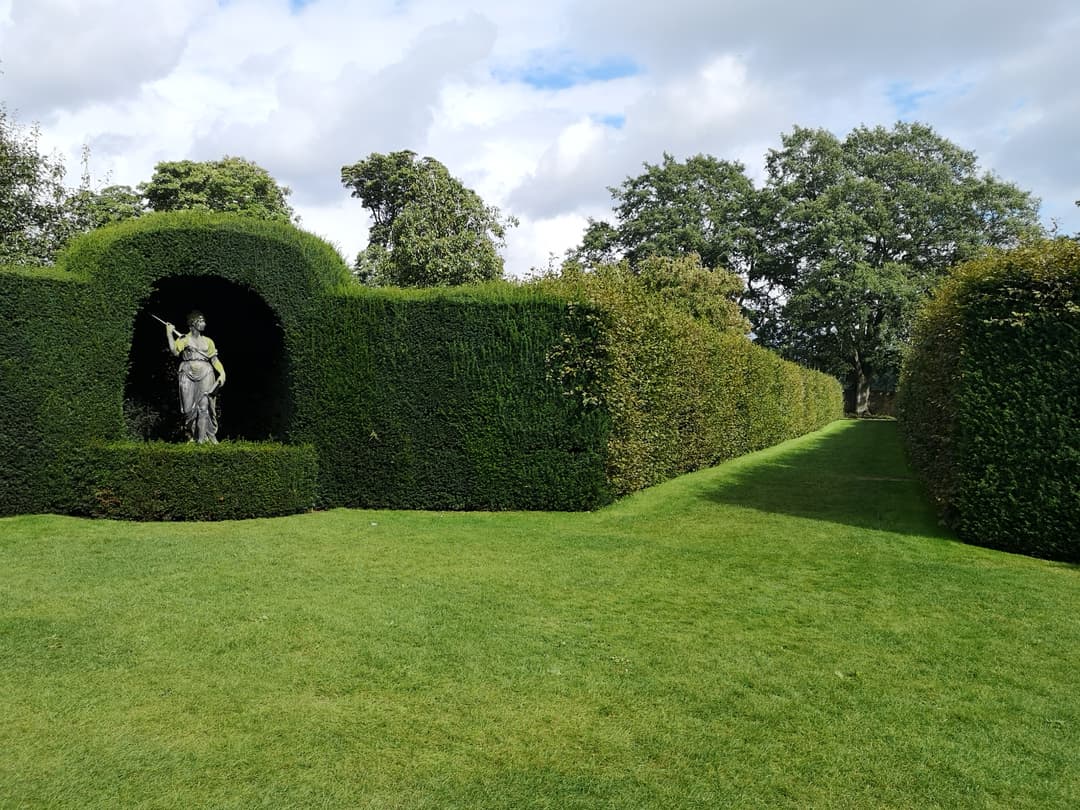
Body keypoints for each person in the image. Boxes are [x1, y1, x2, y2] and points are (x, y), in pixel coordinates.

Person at [165, 311, 226, 443]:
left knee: (204, 407)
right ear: (193, 323)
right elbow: (175, 351)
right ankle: (191, 436)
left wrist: (222, 372)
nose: (204, 324)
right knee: (187, 410)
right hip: (187, 372)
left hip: (206, 372)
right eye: (201, 321)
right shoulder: (184, 339)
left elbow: (214, 360)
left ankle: (201, 441)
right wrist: (169, 333)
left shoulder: (208, 341)